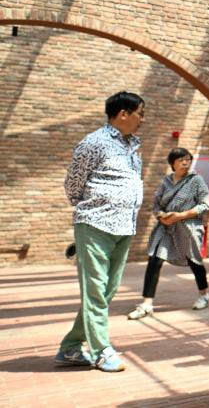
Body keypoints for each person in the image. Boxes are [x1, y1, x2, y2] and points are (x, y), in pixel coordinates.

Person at [55, 91, 145, 373]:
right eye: (140, 113)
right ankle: (101, 350)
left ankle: (70, 347)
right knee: (95, 289)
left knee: (108, 289)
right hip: (95, 223)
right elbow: (73, 184)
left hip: (124, 225)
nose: (142, 119)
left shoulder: (133, 147)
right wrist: (92, 208)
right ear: (123, 113)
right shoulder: (94, 142)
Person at [127, 148, 209, 321]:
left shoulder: (196, 180)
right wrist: (161, 217)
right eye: (181, 160)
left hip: (188, 227)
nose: (185, 162)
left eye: (188, 159)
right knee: (154, 260)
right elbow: (156, 205)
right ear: (172, 163)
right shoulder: (166, 182)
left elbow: (205, 205)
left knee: (194, 261)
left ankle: (204, 294)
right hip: (166, 228)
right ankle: (147, 304)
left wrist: (181, 215)